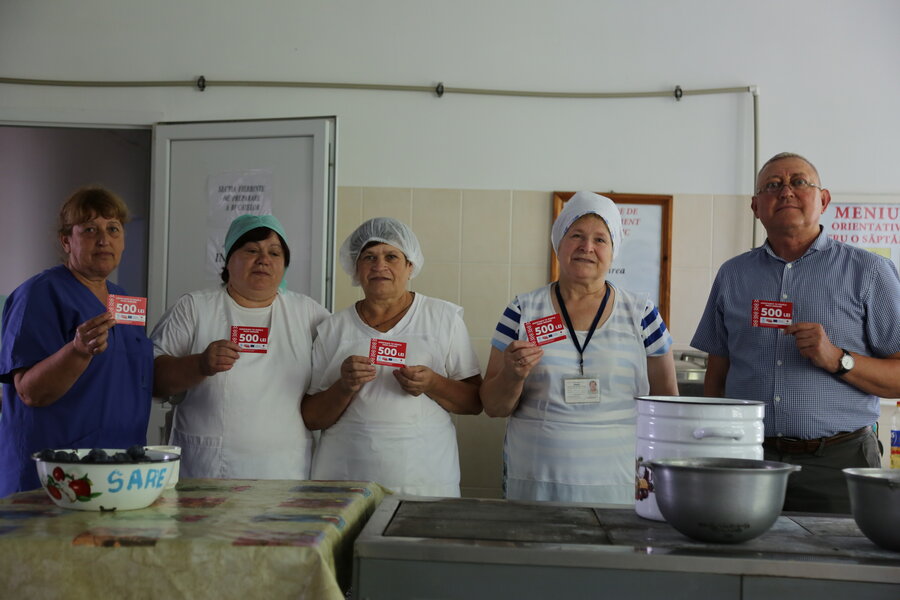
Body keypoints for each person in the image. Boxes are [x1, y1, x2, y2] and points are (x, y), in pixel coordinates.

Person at [691, 152, 900, 513]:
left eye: (799, 182)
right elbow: (717, 374)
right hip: (748, 459)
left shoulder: (869, 272)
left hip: (838, 463)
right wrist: (719, 445)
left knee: (839, 567)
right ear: (756, 206)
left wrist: (837, 359)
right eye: (773, 185)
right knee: (741, 562)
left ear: (824, 199)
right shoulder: (733, 275)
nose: (786, 191)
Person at [481, 191, 678, 504]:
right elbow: (493, 407)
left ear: (613, 251)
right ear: (559, 244)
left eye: (601, 239)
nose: (587, 247)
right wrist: (513, 375)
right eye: (576, 236)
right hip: (537, 481)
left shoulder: (641, 313)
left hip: (619, 482)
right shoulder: (524, 310)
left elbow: (667, 403)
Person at [302, 217, 482, 497]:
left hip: (425, 480)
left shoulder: (443, 319)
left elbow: (474, 402)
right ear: (355, 268)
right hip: (346, 482)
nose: (379, 266)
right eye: (369, 257)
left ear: (410, 266)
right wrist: (344, 386)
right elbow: (312, 418)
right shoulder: (333, 328)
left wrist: (433, 383)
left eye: (391, 256)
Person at [0, 186, 153, 497]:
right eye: (89, 229)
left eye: (113, 229)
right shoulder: (39, 294)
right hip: (55, 475)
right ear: (66, 240)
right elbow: (31, 391)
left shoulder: (124, 300)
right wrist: (77, 351)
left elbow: (135, 375)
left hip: (119, 471)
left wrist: (200, 364)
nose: (104, 239)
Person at [151, 214, 329, 479]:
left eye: (274, 253)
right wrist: (200, 364)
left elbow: (340, 368)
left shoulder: (308, 314)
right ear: (228, 259)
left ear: (284, 264)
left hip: (285, 471)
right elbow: (153, 380)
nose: (264, 260)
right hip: (207, 470)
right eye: (251, 250)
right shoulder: (194, 308)